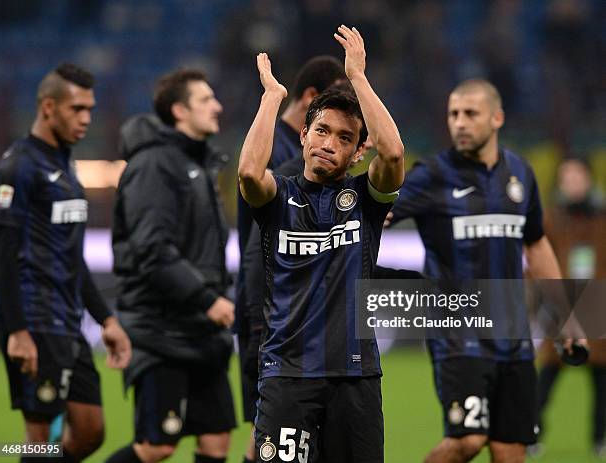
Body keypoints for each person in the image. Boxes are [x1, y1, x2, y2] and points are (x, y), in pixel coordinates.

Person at [387, 78, 585, 462]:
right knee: (468, 440)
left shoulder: (520, 174)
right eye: (453, 114)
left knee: (511, 452)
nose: (459, 123)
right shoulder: (431, 175)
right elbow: (377, 219)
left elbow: (536, 242)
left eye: (470, 114)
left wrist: (567, 315)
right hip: (458, 335)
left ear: (497, 118)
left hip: (513, 338)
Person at [238, 25, 405, 462]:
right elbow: (248, 175)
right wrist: (271, 99)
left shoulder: (366, 202)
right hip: (287, 376)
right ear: (304, 135)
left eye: (345, 138)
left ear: (357, 154)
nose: (330, 143)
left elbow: (393, 156)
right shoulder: (279, 198)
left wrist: (359, 78)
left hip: (356, 378)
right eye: (323, 131)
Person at [0, 63, 132, 462]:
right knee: (38, 438)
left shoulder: (66, 167)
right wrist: (17, 330)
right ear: (49, 107)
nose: (86, 119)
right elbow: (2, 251)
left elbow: (73, 256)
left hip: (67, 318)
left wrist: (106, 320)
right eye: (77, 109)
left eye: (90, 109)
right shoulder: (19, 166)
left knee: (91, 431)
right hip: (34, 320)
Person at [106, 69, 236, 463]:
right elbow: (152, 250)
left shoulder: (198, 164)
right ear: (179, 110)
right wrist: (206, 298)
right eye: (205, 100)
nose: (218, 106)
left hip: (199, 332)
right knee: (158, 446)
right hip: (161, 332)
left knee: (216, 441)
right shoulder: (154, 165)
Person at [235, 55, 345, 463]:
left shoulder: (304, 155)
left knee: (278, 442)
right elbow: (255, 242)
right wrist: (259, 314)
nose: (331, 143)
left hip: (294, 315)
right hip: (273, 313)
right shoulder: (285, 159)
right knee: (273, 440)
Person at [531, 157, 606, 458]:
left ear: (588, 179)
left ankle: (599, 438)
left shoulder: (602, 219)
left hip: (598, 307)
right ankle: (533, 433)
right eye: (566, 177)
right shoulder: (552, 218)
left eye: (576, 176)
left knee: (601, 380)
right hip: (562, 309)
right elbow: (536, 262)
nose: (571, 182)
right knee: (547, 376)